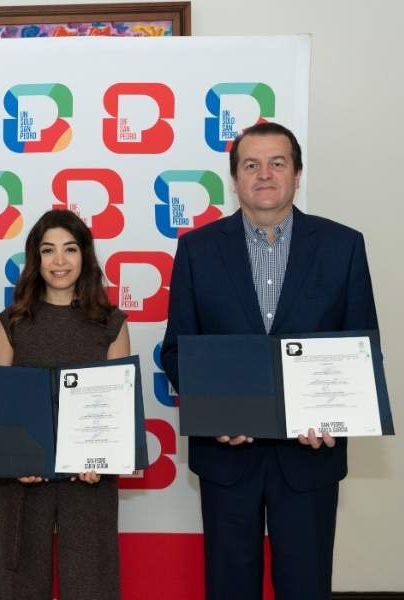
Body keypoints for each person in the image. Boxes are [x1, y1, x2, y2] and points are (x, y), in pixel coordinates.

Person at [161, 122, 379, 599]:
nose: (264, 174)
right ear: (235, 178)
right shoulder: (197, 249)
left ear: (297, 174)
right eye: (251, 165)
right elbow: (176, 350)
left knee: (305, 586)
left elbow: (360, 350)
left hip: (310, 456)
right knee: (230, 586)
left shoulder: (342, 246)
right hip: (226, 458)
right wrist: (216, 411)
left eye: (277, 163)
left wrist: (335, 414)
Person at [0, 209, 131, 600]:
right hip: (23, 482)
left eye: (69, 249)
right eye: (48, 250)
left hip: (90, 481)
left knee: (91, 586)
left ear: (84, 255)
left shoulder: (111, 323)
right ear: (35, 259)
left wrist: (101, 458)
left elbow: (116, 411)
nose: (59, 260)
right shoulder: (12, 322)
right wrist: (13, 462)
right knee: (19, 587)